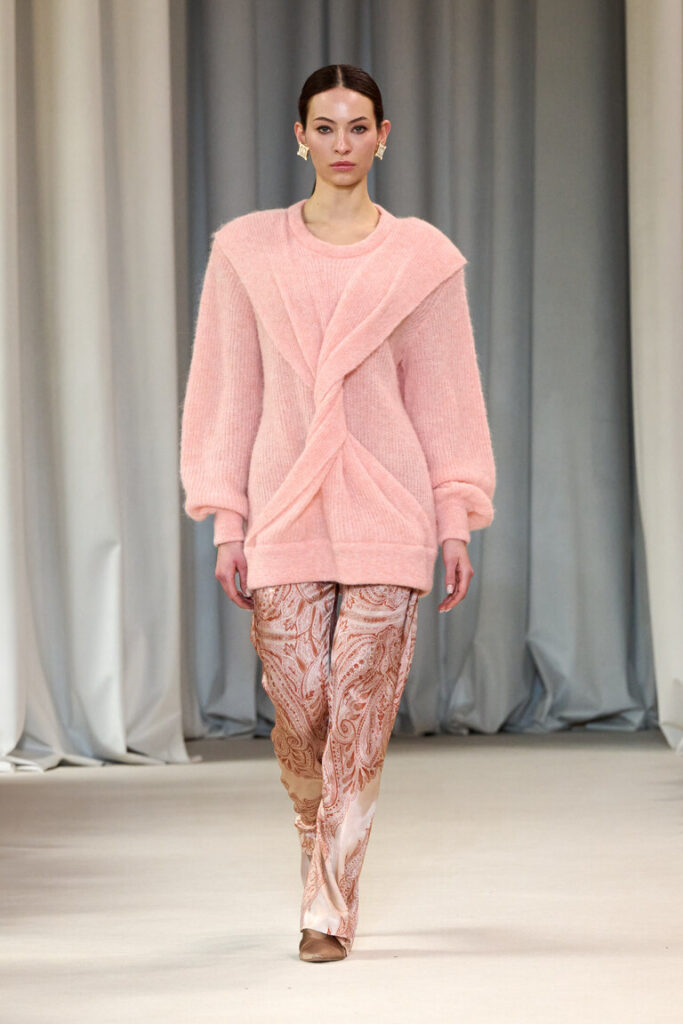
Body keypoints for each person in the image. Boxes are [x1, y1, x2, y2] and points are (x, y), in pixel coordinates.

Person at [180, 63, 496, 963]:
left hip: (389, 508)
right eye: (325, 127)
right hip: (284, 507)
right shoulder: (247, 252)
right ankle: (314, 825)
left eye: (358, 127)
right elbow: (226, 394)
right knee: (302, 706)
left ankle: (328, 905)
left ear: (383, 136)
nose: (342, 144)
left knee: (360, 707)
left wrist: (452, 518)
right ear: (299, 137)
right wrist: (228, 520)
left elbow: (444, 398)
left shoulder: (420, 259)